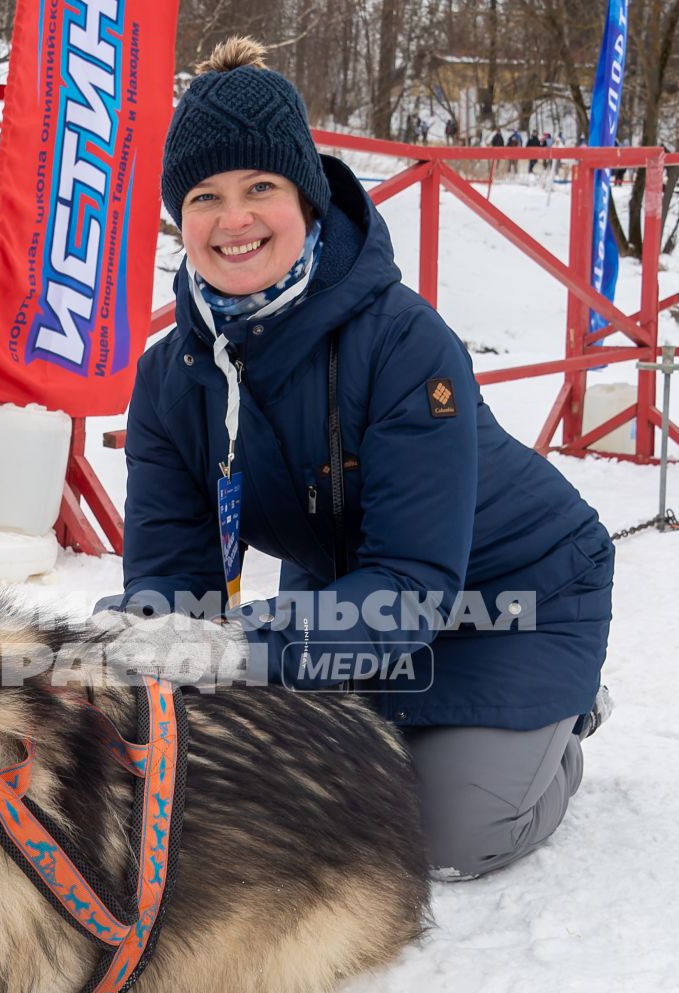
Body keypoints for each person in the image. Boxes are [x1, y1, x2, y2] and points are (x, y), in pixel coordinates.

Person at [109, 37, 614, 882]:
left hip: (515, 596)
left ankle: (558, 723)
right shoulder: (171, 377)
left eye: (260, 187)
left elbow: (415, 588)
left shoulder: (404, 341)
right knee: (270, 804)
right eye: (206, 196)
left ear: (306, 198)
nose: (234, 220)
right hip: (345, 596)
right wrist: (145, 643)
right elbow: (172, 579)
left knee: (442, 838)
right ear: (180, 219)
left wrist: (236, 650)